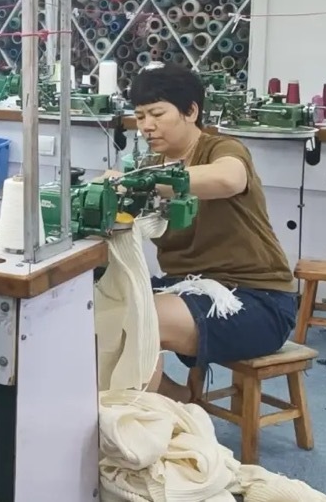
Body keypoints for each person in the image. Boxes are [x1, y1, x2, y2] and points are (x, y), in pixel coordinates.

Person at [129, 64, 297, 400]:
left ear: (191, 111)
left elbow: (228, 179)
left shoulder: (222, 149)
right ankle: (177, 400)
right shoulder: (150, 167)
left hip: (257, 301)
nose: (147, 126)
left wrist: (144, 184)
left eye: (157, 114)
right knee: (103, 309)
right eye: (139, 116)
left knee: (139, 318)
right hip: (189, 286)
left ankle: (150, 418)